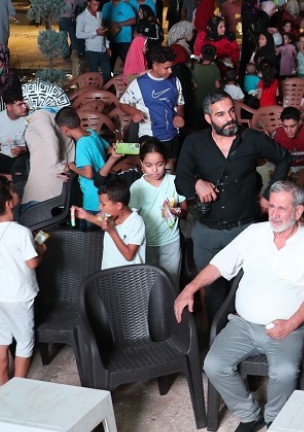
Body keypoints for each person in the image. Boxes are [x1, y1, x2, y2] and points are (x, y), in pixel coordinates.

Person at [175, 180, 304, 432]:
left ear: (298, 211)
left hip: (287, 327)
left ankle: (274, 417)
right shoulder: (254, 233)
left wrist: (290, 324)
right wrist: (190, 287)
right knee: (213, 365)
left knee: (285, 370)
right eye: (271, 206)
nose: (274, 214)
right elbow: (219, 265)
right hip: (244, 324)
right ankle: (249, 415)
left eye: (282, 208)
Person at [175, 92, 291, 312]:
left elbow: (284, 157)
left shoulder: (252, 139)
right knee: (213, 295)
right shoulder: (194, 143)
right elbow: (181, 182)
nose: (230, 118)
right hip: (208, 233)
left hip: (245, 230)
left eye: (231, 111)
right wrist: (197, 183)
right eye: (220, 114)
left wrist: (270, 193)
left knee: (250, 290)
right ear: (208, 119)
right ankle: (218, 339)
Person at [0, 174, 42, 385]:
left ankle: (3, 383)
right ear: (8, 203)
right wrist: (41, 249)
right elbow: (32, 263)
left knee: (2, 340)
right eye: (14, 192)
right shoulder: (21, 232)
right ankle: (19, 387)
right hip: (18, 295)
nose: (17, 194)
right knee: (24, 341)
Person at [120, 43, 185, 167]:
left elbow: (180, 103)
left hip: (172, 134)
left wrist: (180, 115)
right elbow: (122, 103)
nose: (170, 71)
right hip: (150, 136)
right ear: (155, 65)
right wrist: (134, 112)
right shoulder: (139, 83)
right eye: (166, 68)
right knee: (152, 167)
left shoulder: (175, 81)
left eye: (171, 67)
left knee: (170, 165)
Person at [128, 138, 183, 281]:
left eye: (159, 164)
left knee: (171, 281)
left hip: (171, 241)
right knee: (150, 283)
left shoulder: (174, 182)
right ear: (141, 164)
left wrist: (178, 211)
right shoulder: (137, 187)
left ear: (166, 161)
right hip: (147, 242)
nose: (154, 169)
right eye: (149, 165)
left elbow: (184, 207)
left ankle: (172, 304)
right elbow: (131, 216)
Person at [73, 177, 146, 270]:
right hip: (109, 272)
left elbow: (129, 256)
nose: (99, 207)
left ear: (118, 205)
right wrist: (85, 215)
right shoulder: (109, 215)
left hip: (130, 277)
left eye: (103, 204)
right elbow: (101, 222)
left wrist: (112, 231)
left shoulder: (136, 221)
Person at [0, 85, 30, 180]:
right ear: (9, 107)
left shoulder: (31, 118)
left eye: (25, 104)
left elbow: (39, 145)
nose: (24, 107)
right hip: (4, 155)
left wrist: (22, 149)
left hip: (25, 156)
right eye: (20, 105)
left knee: (19, 170)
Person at [270, 107, 304, 172]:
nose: (289, 130)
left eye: (292, 126)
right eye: (285, 126)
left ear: (300, 122)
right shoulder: (277, 134)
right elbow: (272, 160)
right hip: (286, 169)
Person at [75, 0, 111, 80]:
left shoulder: (99, 14)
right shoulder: (81, 17)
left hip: (103, 49)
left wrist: (107, 46)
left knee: (107, 73)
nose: (97, 7)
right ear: (88, 3)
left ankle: (104, 91)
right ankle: (93, 91)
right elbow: (78, 34)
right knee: (93, 74)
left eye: (98, 5)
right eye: (94, 4)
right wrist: (95, 33)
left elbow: (103, 30)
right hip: (92, 50)